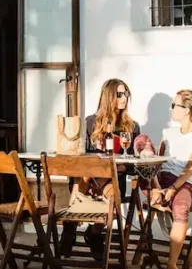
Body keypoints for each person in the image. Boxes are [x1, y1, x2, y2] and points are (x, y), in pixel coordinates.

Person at [61, 79, 142, 259]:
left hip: (113, 177)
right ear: (108, 96)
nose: (124, 98)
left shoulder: (132, 126)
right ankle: (70, 229)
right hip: (88, 177)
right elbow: (81, 155)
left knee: (112, 202)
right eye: (119, 94)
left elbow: (132, 161)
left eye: (126, 94)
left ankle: (94, 233)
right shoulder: (91, 122)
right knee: (84, 172)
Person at [148, 89, 192, 269]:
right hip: (160, 179)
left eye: (174, 105)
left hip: (184, 183)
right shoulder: (167, 133)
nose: (171, 109)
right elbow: (156, 162)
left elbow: (189, 169)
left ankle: (172, 264)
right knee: (142, 143)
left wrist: (173, 189)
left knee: (180, 206)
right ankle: (155, 193)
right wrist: (156, 186)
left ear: (186, 110)